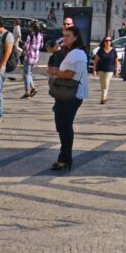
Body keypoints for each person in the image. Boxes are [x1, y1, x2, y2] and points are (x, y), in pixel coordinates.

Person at [48, 25, 88, 172]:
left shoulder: (77, 53)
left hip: (71, 94)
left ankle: (65, 159)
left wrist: (55, 72)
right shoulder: (70, 51)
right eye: (64, 35)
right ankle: (64, 157)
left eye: (68, 36)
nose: (64, 38)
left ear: (76, 37)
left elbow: (70, 74)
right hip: (67, 93)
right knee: (62, 126)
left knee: (64, 127)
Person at [94, 35, 118, 104]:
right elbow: (96, 60)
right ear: (104, 42)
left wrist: (116, 70)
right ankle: (105, 97)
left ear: (111, 42)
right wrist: (94, 70)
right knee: (102, 85)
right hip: (101, 69)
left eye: (109, 40)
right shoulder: (100, 50)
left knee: (106, 83)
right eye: (106, 41)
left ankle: (103, 99)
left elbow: (116, 61)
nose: (108, 42)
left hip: (110, 70)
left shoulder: (113, 51)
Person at [20, 26, 43, 98]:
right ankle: (33, 88)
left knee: (26, 74)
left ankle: (27, 92)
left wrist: (23, 46)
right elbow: (41, 46)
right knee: (28, 73)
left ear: (33, 28)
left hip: (29, 57)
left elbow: (26, 46)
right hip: (36, 57)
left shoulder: (30, 35)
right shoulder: (41, 36)